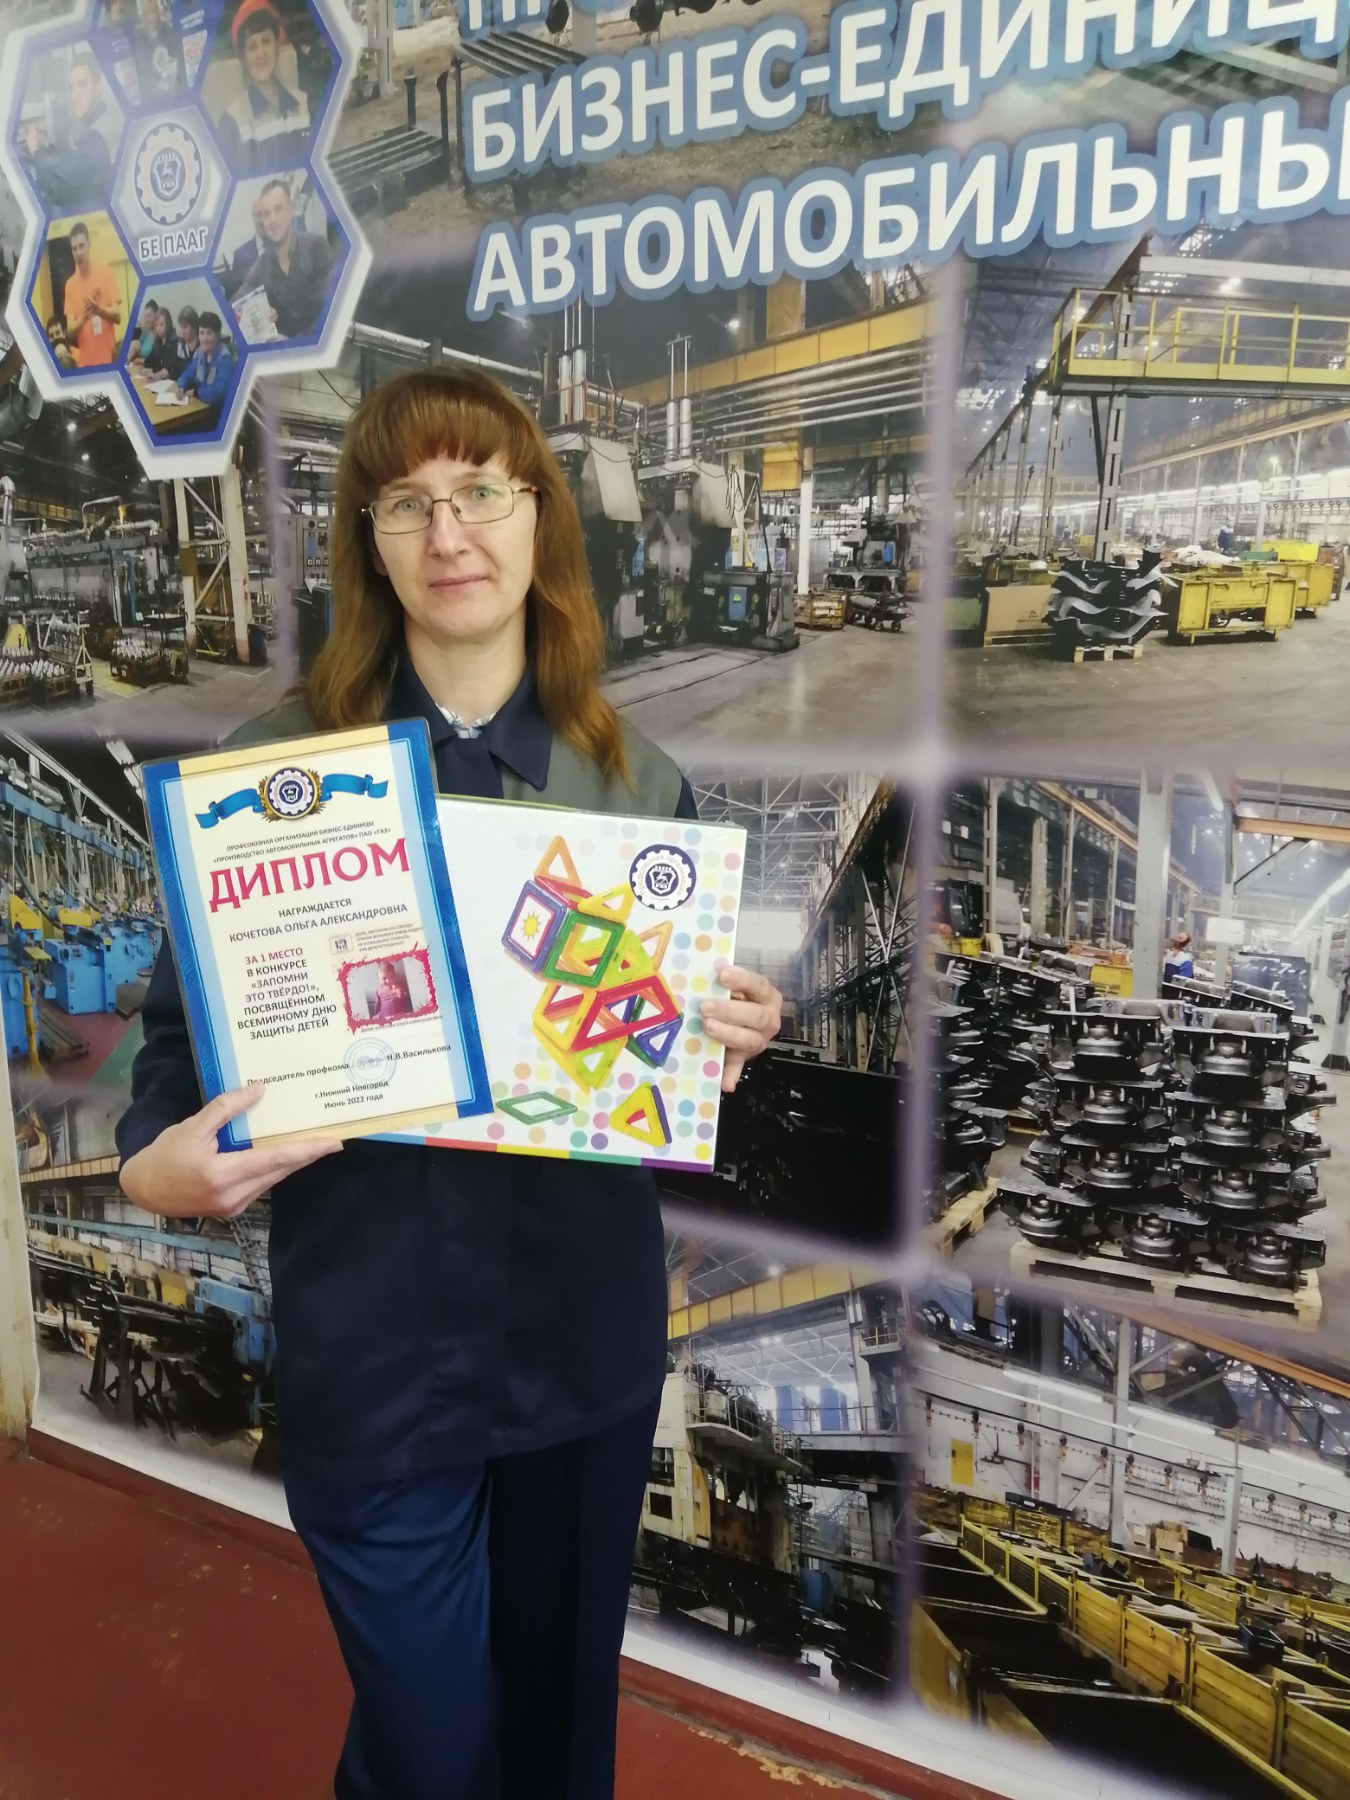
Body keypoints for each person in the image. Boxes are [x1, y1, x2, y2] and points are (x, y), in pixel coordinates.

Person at [115, 368, 783, 1800]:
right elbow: (175, 1045)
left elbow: (660, 1062)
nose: (449, 531)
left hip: (576, 1350)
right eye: (406, 503)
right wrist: (148, 1161)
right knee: (430, 1749)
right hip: (375, 1346)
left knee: (553, 1745)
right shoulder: (272, 776)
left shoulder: (636, 788)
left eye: (482, 490)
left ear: (540, 519)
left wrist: (726, 1033)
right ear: (368, 539)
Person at [215, 0, 313, 172]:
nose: (261, 53)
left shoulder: (304, 103)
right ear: (243, 58)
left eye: (266, 41)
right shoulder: (232, 121)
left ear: (277, 46)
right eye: (252, 47)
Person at [230, 177, 333, 339]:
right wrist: (260, 311)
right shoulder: (262, 264)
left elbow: (332, 309)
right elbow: (235, 304)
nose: (273, 219)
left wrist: (292, 342)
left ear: (290, 211)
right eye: (266, 214)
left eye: (278, 209)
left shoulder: (316, 247)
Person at [19, 51, 119, 211]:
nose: (74, 95)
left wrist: (36, 151)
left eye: (82, 84)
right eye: (71, 87)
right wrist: (47, 146)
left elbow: (57, 189)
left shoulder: (97, 139)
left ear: (98, 85)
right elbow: (74, 161)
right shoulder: (103, 124)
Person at [60, 221, 123, 368]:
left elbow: (118, 316)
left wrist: (99, 310)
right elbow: (70, 331)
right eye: (74, 249)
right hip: (85, 366)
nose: (78, 253)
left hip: (109, 362)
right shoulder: (70, 285)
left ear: (89, 245)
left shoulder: (105, 271)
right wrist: (84, 316)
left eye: (81, 246)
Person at [175, 309, 234, 418]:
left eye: (209, 333)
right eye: (201, 333)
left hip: (218, 416)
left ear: (217, 335)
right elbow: (186, 374)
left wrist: (196, 392)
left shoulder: (225, 358)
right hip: (201, 410)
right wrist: (181, 388)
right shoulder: (200, 353)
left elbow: (215, 394)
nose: (204, 339)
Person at [133, 0, 186, 97]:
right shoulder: (139, 42)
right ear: (142, 16)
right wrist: (156, 84)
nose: (150, 17)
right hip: (153, 100)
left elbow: (179, 63)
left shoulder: (169, 33)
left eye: (152, 12)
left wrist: (174, 86)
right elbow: (143, 75)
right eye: (147, 14)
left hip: (173, 96)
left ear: (158, 13)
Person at [227, 195, 268, 291]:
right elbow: (235, 295)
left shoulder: (284, 247)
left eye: (266, 214)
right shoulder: (240, 256)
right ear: (253, 218)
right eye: (259, 215)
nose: (263, 220)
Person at [142, 303, 191, 380]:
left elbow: (170, 368)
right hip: (161, 381)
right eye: (157, 325)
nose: (158, 328)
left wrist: (156, 376)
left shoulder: (175, 342)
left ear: (168, 324)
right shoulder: (158, 341)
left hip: (175, 381)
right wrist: (146, 368)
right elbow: (150, 360)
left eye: (161, 325)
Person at [126, 298, 160, 366]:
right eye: (145, 316)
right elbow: (137, 349)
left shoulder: (160, 334)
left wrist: (141, 360)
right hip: (140, 367)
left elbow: (159, 359)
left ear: (156, 316)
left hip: (152, 367)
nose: (146, 319)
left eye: (149, 316)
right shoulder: (144, 333)